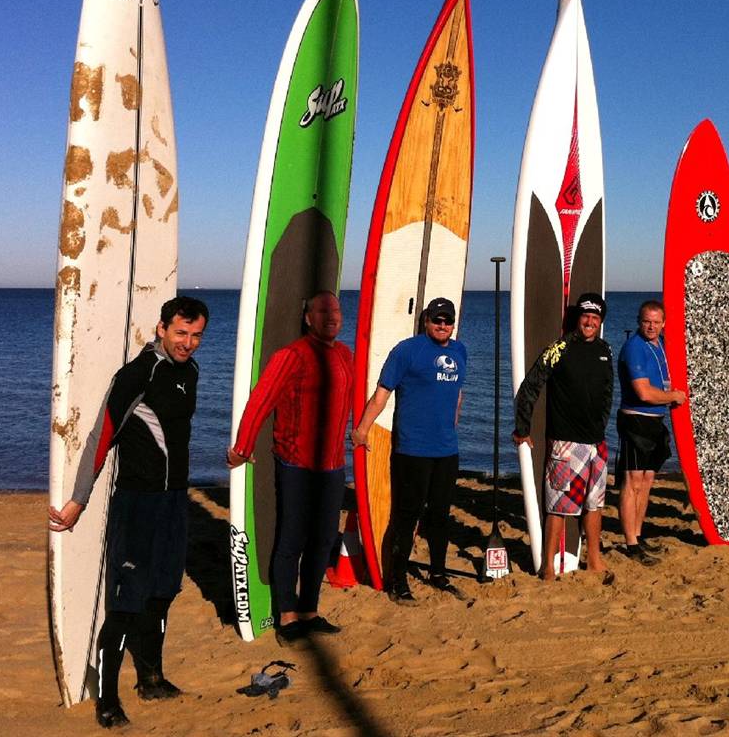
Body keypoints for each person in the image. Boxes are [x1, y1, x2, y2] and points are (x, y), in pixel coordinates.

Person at [48, 295, 209, 730]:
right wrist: (79, 500)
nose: (188, 343)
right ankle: (107, 699)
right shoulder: (138, 374)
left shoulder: (189, 372)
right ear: (161, 329)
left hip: (174, 502)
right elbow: (102, 437)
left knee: (162, 594)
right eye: (181, 333)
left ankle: (152, 679)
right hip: (136, 505)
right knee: (125, 604)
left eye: (196, 336)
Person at [226, 290, 354, 644]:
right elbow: (260, 401)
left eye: (337, 310)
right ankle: (287, 616)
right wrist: (242, 447)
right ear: (308, 317)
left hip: (332, 466)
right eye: (322, 310)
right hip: (296, 464)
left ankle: (310, 611)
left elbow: (350, 404)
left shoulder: (345, 355)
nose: (332, 316)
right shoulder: (292, 356)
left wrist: (361, 437)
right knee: (292, 540)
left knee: (324, 539)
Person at [352, 297, 467, 605]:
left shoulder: (459, 351)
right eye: (437, 319)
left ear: (453, 324)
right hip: (412, 450)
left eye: (447, 320)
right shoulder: (407, 350)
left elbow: (457, 394)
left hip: (446, 450)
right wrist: (362, 430)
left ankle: (439, 574)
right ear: (426, 320)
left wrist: (452, 422)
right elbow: (381, 395)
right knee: (407, 516)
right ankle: (397, 580)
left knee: (441, 515)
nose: (442, 325)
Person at [513, 292, 615, 582]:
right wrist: (523, 429)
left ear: (600, 322)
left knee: (594, 505)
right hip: (566, 444)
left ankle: (594, 560)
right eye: (586, 316)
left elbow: (607, 393)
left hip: (597, 443)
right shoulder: (559, 348)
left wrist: (601, 428)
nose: (590, 322)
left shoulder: (605, 350)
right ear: (578, 319)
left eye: (595, 318)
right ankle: (547, 566)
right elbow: (531, 386)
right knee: (558, 506)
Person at [616, 300, 686, 563]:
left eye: (657, 322)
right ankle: (631, 544)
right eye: (647, 321)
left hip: (655, 421)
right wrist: (673, 396)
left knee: (646, 482)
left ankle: (638, 534)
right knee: (632, 482)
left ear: (664, 323)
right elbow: (643, 393)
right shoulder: (634, 348)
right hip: (635, 420)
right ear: (638, 320)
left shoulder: (662, 345)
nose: (651, 326)